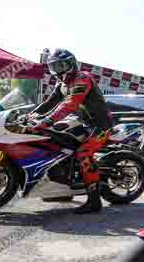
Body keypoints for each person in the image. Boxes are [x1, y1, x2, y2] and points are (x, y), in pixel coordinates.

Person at [28, 49, 113, 214]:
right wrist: (30, 115)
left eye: (60, 65)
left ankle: (94, 201)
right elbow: (49, 103)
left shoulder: (83, 79)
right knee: (55, 143)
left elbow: (70, 104)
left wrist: (48, 120)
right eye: (53, 67)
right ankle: (62, 189)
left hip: (101, 125)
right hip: (82, 123)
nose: (57, 71)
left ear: (71, 64)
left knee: (83, 154)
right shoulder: (62, 84)